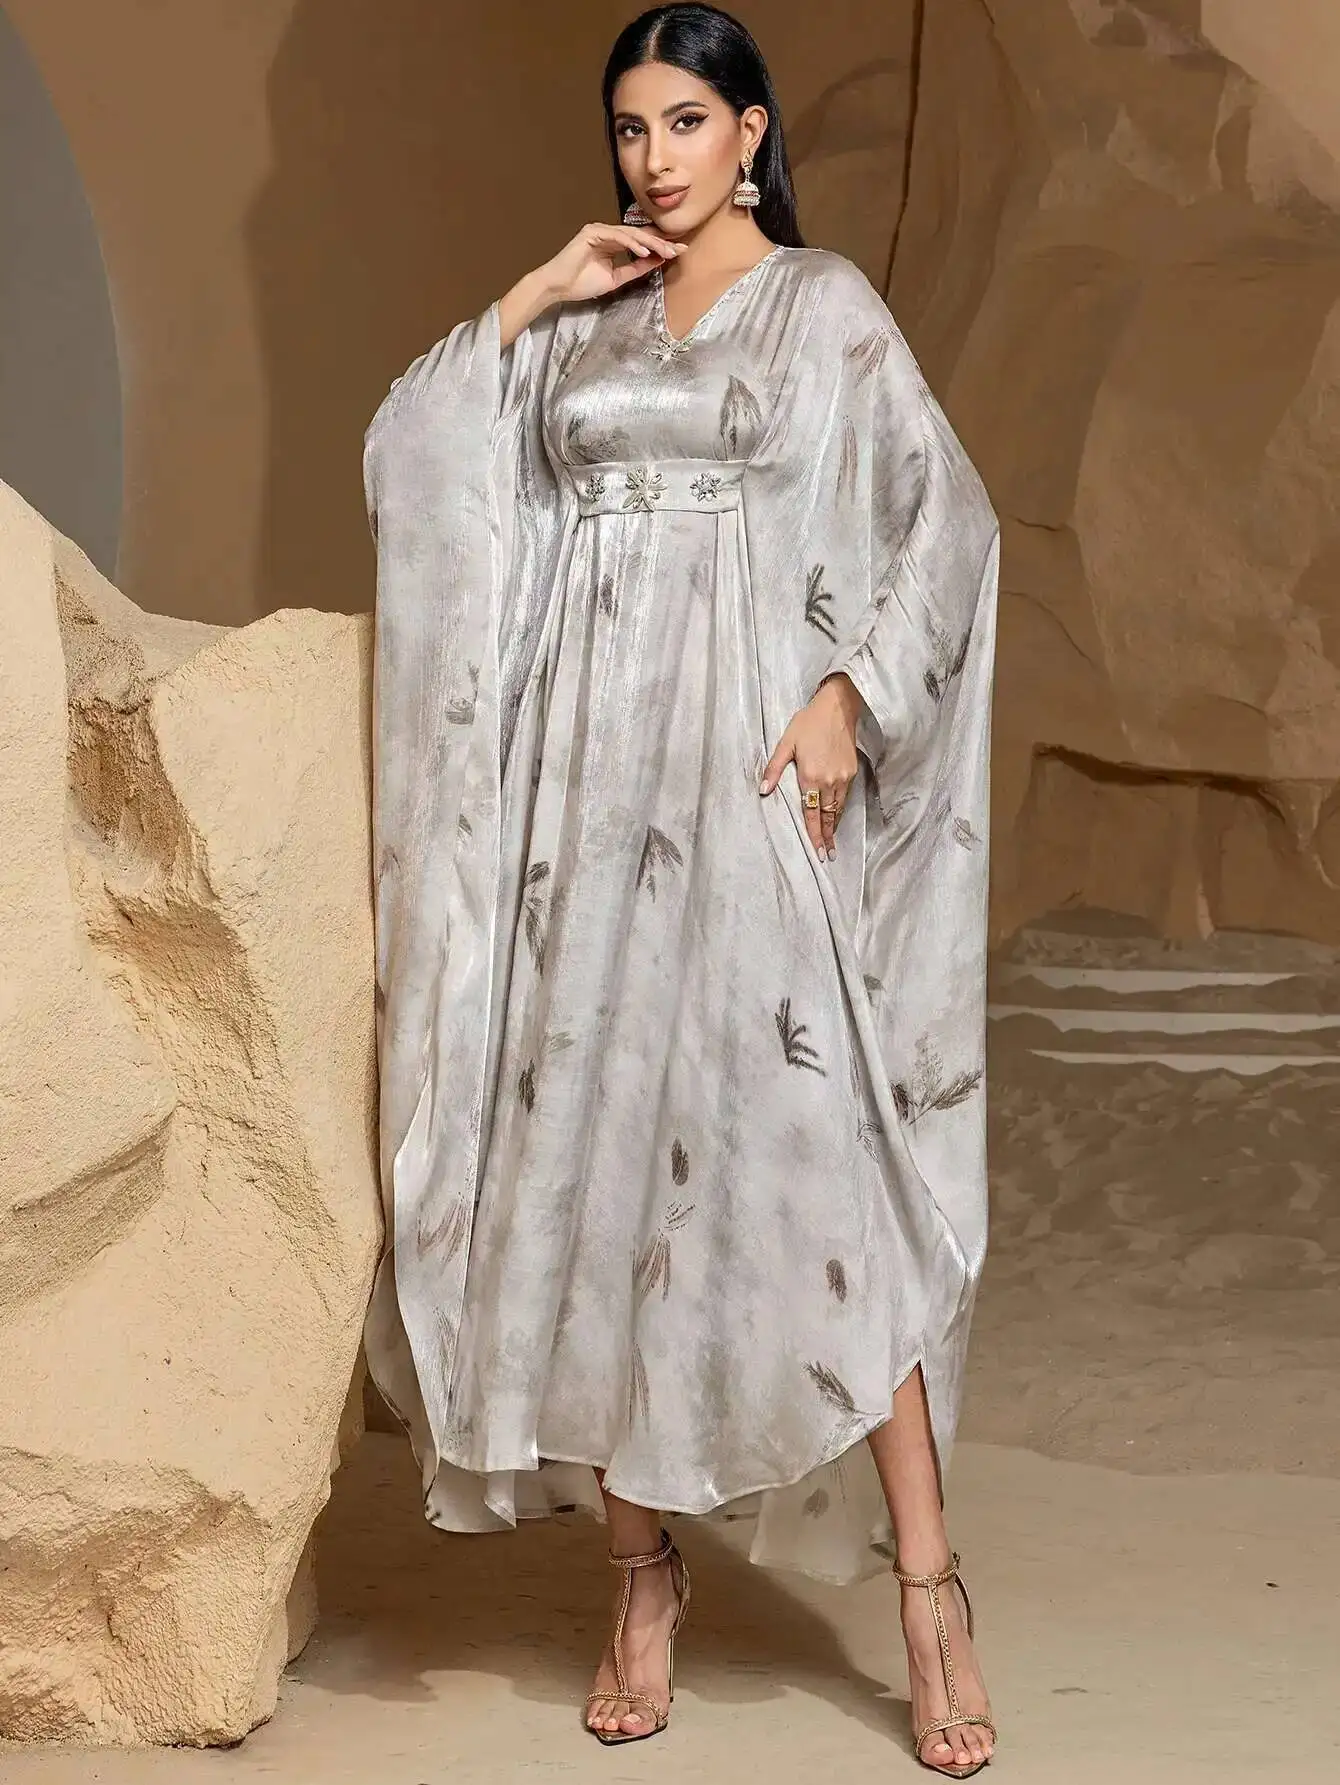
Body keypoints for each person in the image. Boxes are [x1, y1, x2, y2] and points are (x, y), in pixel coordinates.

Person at [362, 3, 1000, 1775]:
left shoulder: (824, 306)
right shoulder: (586, 319)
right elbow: (419, 459)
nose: (654, 158)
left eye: (687, 123)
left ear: (753, 130)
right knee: (591, 1160)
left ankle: (929, 1591)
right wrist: (531, 296)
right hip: (579, 789)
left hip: (743, 776)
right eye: (632, 128)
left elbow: (947, 520)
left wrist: (850, 696)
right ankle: (640, 1579)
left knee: (822, 1159)